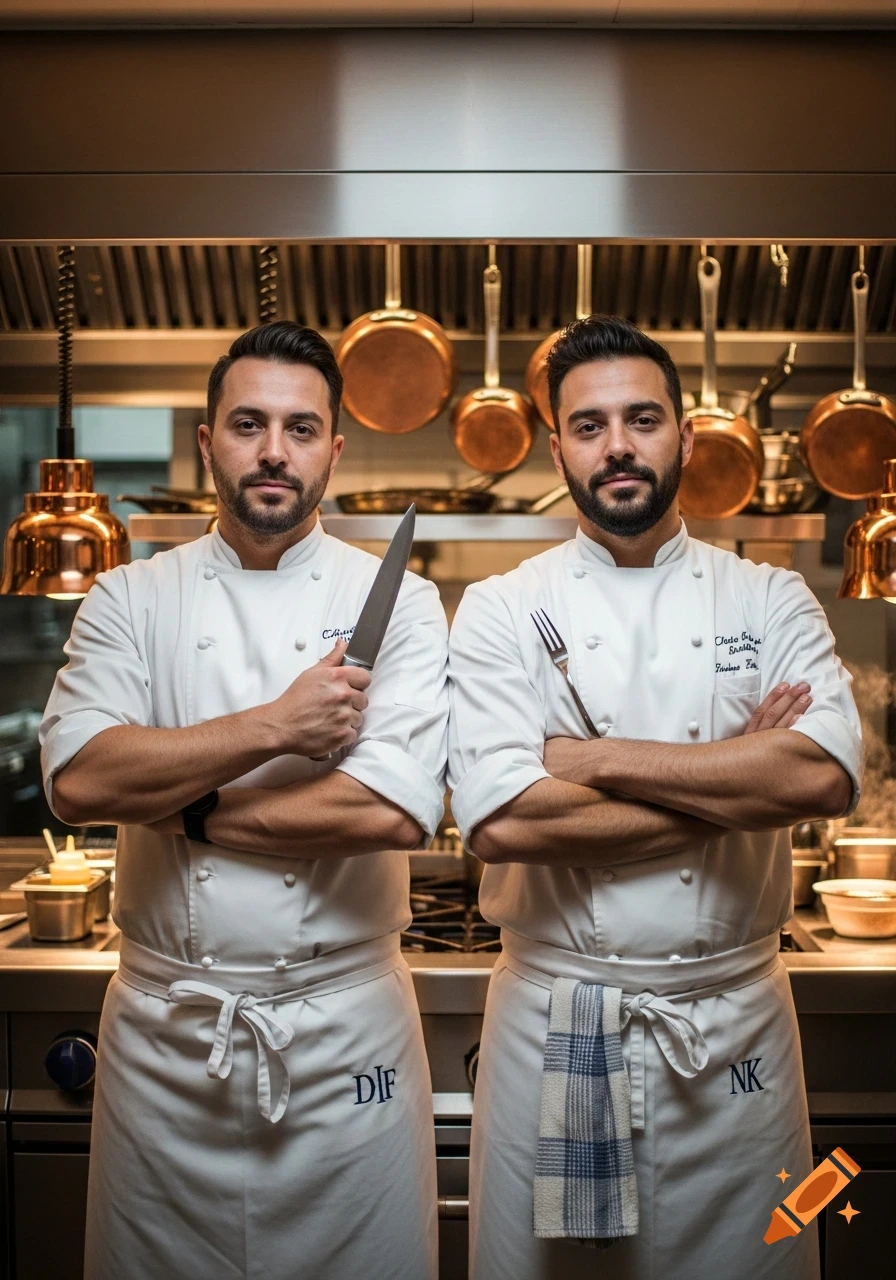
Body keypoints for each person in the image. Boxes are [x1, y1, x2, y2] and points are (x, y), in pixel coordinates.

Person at [448, 316, 862, 1280]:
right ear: (558, 448)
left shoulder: (770, 596)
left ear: (684, 433)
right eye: (589, 426)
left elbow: (819, 778)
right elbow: (505, 821)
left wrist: (589, 760)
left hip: (734, 1031)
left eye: (643, 419)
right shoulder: (505, 606)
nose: (619, 446)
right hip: (557, 1024)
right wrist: (735, 774)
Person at [41, 321, 447, 1280]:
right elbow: (81, 781)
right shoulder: (128, 597)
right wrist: (277, 725)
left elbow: (386, 811)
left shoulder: (403, 599)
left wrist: (187, 810)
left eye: (301, 429)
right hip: (170, 1036)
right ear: (206, 439)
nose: (275, 451)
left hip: (345, 1030)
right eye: (249, 425)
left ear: (334, 450)